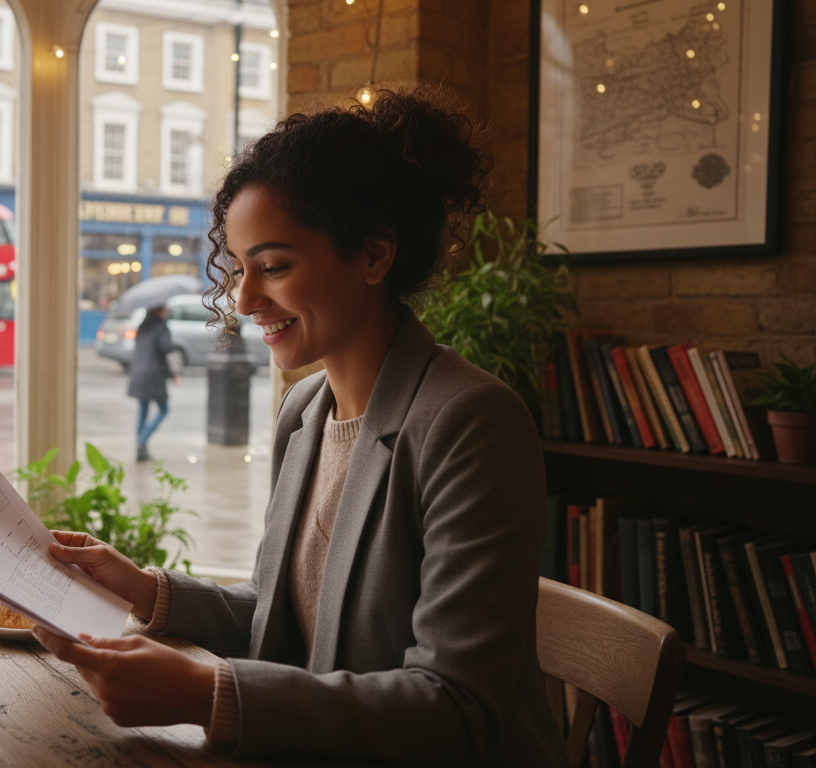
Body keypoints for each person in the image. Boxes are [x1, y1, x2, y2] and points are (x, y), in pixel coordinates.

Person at [33, 85, 569, 766]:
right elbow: (283, 610)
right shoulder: (305, 411)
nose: (246, 300)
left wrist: (210, 695)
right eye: (238, 270)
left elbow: (456, 709)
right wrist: (143, 589)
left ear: (375, 256)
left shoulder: (471, 423)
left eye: (275, 267)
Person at [127, 304, 181, 462]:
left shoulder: (143, 326)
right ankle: (142, 440)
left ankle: (141, 448)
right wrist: (174, 374)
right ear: (160, 310)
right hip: (153, 374)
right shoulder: (161, 327)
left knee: (143, 410)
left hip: (138, 372)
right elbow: (166, 349)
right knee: (163, 409)